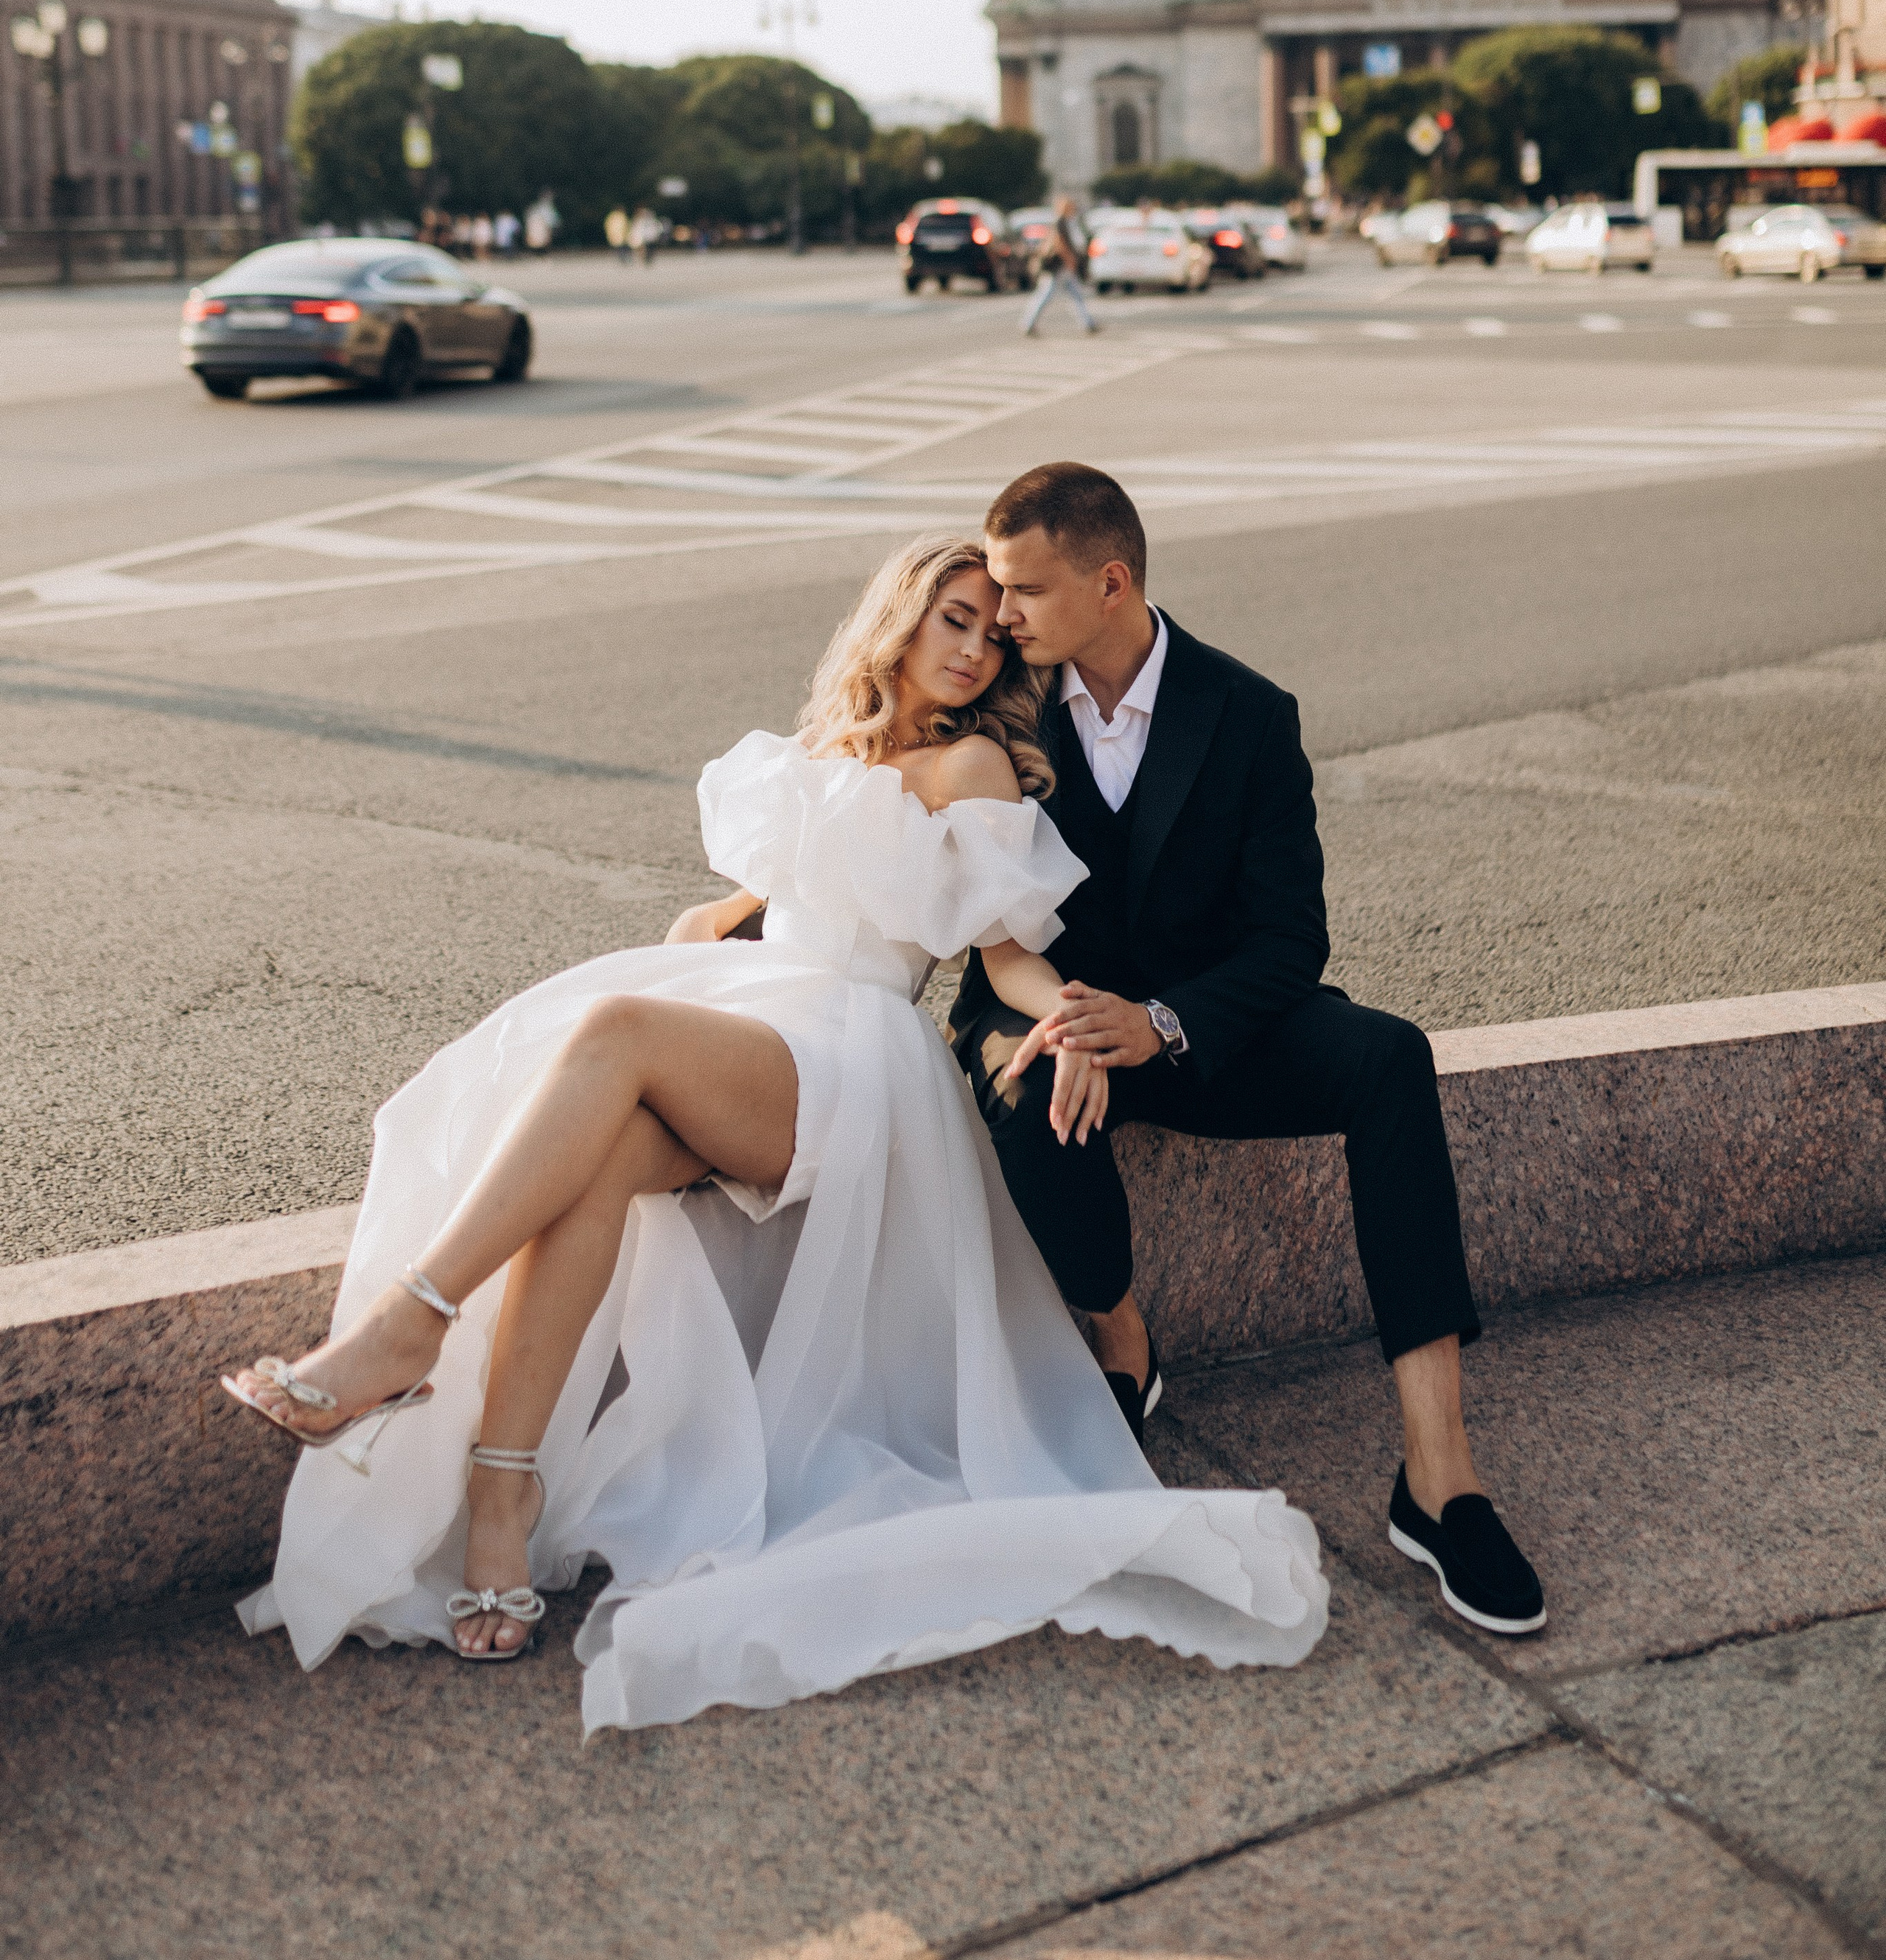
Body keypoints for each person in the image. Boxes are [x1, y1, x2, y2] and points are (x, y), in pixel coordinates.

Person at [220, 535, 1326, 1729]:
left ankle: (406, 1329)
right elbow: (783, 893)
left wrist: (1073, 1020)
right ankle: (502, 1499)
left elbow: (1003, 950)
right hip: (758, 1029)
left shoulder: (976, 770)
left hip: (851, 1062)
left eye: (993, 636)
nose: (970, 650)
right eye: (953, 619)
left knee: (609, 1031)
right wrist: (720, 919)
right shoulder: (821, 752)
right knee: (585, 1177)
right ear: (898, 617)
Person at [950, 463, 1546, 1639]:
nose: (1002, 613)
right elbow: (897, 805)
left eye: (1023, 589)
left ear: (1110, 583)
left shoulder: (1249, 713)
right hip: (1037, 1000)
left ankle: (1439, 1475)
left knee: (1388, 1057)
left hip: (1202, 1026)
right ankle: (1124, 1352)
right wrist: (1073, 1018)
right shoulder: (999, 700)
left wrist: (1160, 1025)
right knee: (1023, 1086)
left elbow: (1291, 940)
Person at [1020, 195, 1098, 337]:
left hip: (1063, 266)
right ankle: (1028, 323)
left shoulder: (1067, 222)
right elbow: (1060, 244)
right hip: (1058, 266)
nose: (1073, 208)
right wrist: (1070, 261)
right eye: (1070, 206)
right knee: (1046, 294)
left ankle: (1088, 323)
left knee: (1075, 294)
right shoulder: (1060, 222)